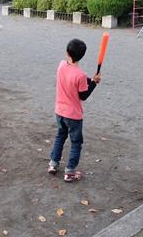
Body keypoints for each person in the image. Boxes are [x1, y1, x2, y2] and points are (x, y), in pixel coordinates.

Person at [48, 38, 101, 182]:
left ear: (67, 52)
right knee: (76, 142)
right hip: (74, 116)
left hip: (59, 111)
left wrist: (91, 80)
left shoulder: (61, 66)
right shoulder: (80, 75)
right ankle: (70, 171)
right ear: (82, 55)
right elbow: (83, 95)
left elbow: (74, 79)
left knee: (60, 136)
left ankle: (53, 164)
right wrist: (94, 83)